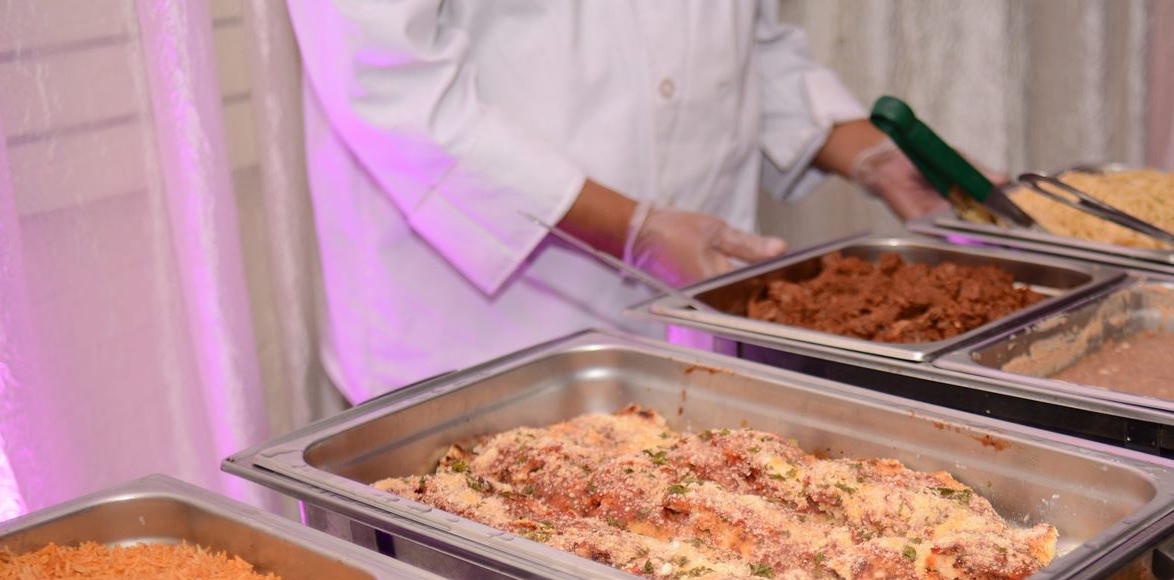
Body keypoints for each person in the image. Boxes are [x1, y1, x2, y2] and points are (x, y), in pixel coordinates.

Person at [286, 1, 945, 403]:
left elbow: (743, 40)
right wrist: (636, 231)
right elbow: (386, 83)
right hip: (481, 337)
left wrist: (870, 152)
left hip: (692, 326)